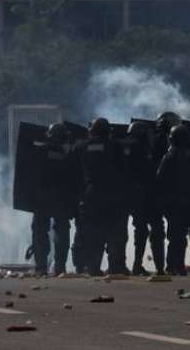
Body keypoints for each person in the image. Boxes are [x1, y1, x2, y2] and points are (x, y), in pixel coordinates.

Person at [75, 118, 127, 275]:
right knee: (115, 232)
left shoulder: (81, 146)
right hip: (113, 194)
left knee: (93, 232)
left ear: (92, 131)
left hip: (91, 194)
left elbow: (73, 173)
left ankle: (93, 267)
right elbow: (124, 171)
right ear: (108, 131)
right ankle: (116, 267)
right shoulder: (116, 146)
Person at [29, 123, 80, 276]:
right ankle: (60, 267)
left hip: (42, 198)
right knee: (62, 231)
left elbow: (29, 175)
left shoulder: (40, 151)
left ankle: (41, 267)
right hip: (62, 198)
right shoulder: (70, 153)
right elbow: (76, 177)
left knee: (39, 231)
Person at [157, 124, 190, 276]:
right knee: (184, 236)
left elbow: (160, 178)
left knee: (175, 237)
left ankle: (172, 266)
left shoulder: (169, 156)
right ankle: (179, 266)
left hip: (174, 202)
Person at [125, 120, 166, 276]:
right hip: (149, 196)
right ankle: (160, 268)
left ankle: (137, 264)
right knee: (156, 230)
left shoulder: (129, 151)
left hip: (137, 197)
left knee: (140, 231)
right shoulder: (146, 150)